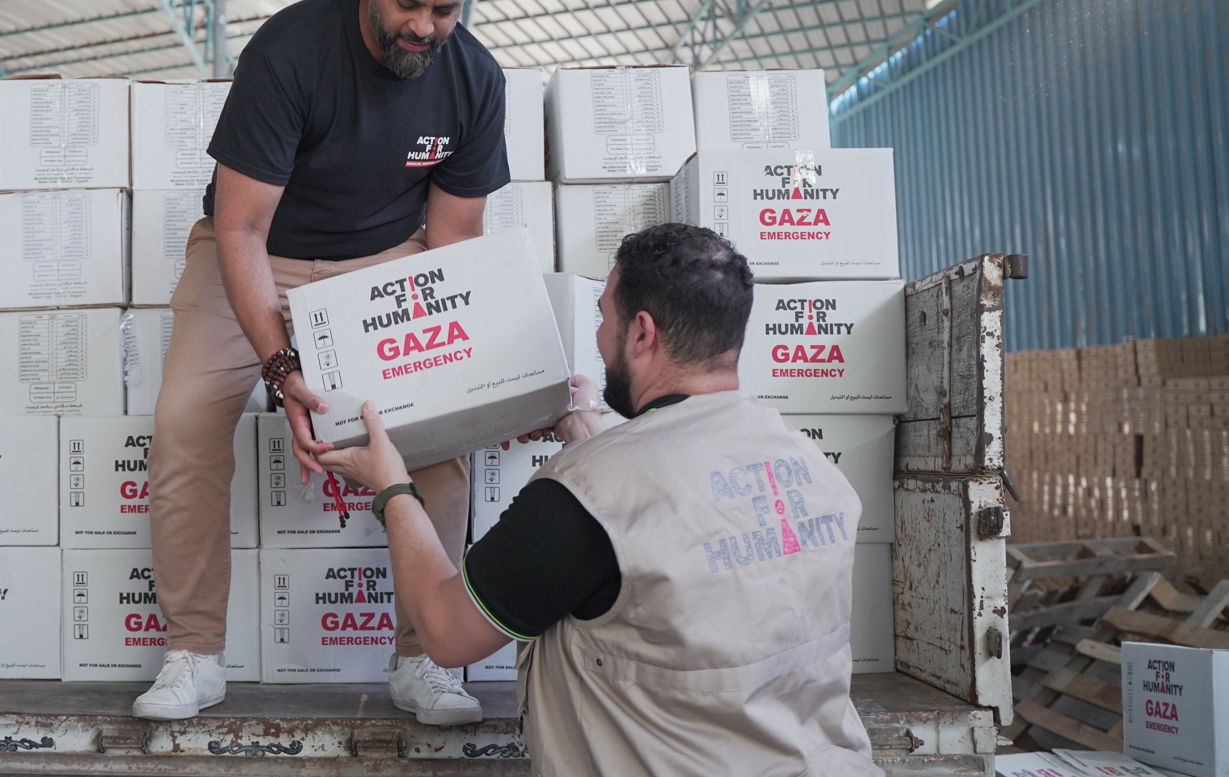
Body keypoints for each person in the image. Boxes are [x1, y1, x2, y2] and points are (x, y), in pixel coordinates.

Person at [319, 224, 884, 776]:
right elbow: (674, 510)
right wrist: (586, 426)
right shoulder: (810, 466)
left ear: (641, 333)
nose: (596, 337)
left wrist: (394, 488)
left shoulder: (581, 496)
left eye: (602, 319)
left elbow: (446, 633)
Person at [133, 0, 507, 725]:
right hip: (257, 251)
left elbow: (453, 242)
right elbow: (239, 226)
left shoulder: (476, 79)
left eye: (445, 9)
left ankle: (426, 660)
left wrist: (486, 377)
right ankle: (194, 652)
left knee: (442, 439)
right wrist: (282, 365)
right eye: (407, 3)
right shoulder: (293, 49)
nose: (424, 26)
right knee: (185, 424)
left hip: (382, 259)